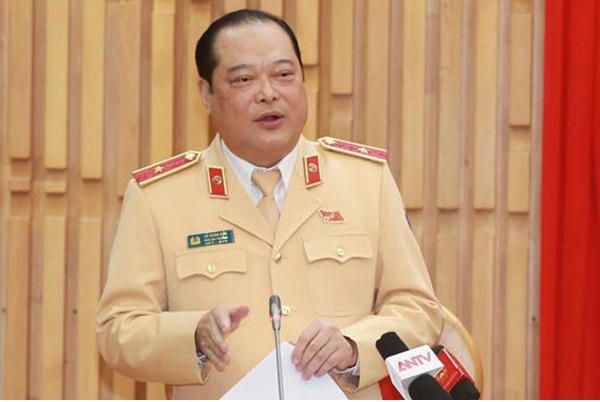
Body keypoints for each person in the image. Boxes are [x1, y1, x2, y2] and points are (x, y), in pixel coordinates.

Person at [96, 9, 442, 399]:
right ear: (206, 94)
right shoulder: (160, 197)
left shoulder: (365, 180)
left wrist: (353, 347)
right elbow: (118, 330)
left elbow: (419, 310)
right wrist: (192, 336)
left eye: (284, 74)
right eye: (243, 79)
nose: (268, 93)